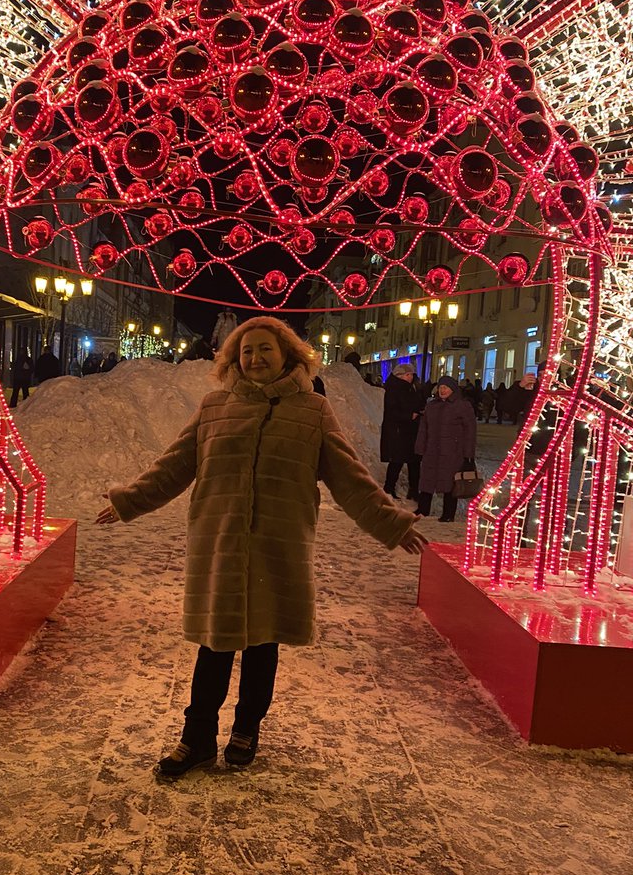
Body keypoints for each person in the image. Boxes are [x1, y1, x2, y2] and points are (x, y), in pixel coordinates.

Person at [96, 316, 427, 778]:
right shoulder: (214, 407)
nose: (255, 358)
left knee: (262, 647)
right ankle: (196, 739)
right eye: (246, 351)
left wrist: (392, 523)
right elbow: (173, 466)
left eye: (265, 349)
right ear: (235, 358)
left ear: (288, 354)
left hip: (278, 545)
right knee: (213, 647)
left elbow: (350, 479)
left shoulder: (312, 410)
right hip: (220, 544)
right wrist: (128, 501)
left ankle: (246, 729)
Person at [415, 375, 477, 522]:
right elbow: (423, 429)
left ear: (453, 390)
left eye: (446, 388)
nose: (442, 390)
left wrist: (468, 455)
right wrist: (420, 448)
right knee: (427, 479)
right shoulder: (431, 406)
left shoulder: (462, 406)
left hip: (453, 451)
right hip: (432, 449)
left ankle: (448, 514)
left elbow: (470, 432)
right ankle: (423, 509)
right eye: (440, 387)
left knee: (450, 482)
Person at [380, 363, 423, 501]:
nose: (411, 377)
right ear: (400, 376)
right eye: (408, 374)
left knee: (414, 461)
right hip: (399, 431)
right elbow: (392, 411)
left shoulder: (409, 388)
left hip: (409, 430)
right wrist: (409, 415)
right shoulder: (395, 389)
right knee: (397, 460)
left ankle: (413, 490)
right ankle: (389, 487)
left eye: (411, 374)